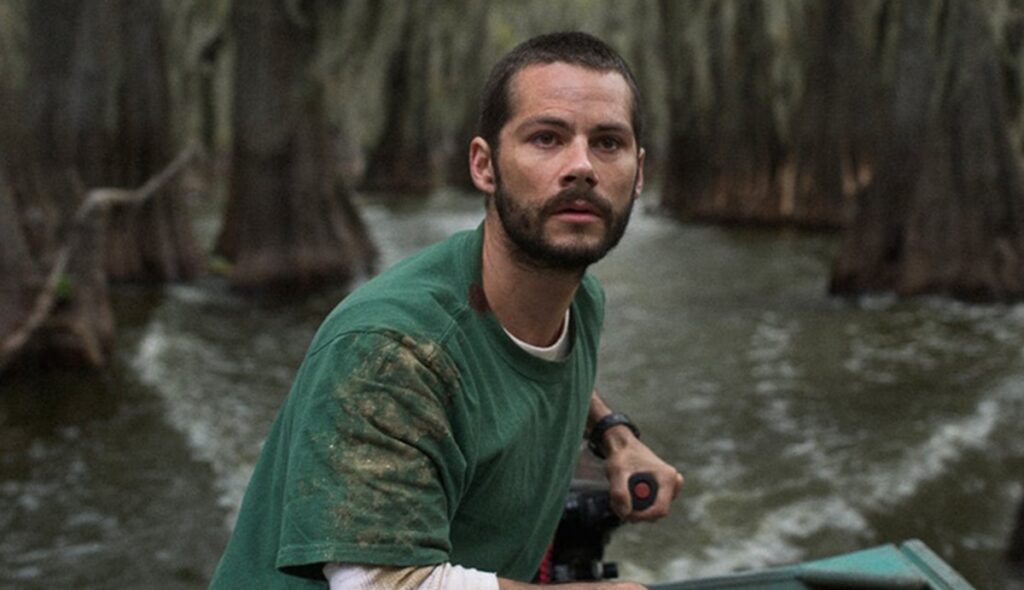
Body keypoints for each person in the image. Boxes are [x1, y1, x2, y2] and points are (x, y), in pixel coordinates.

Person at [209, 31, 684, 590]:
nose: (581, 166)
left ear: (639, 172)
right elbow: (379, 585)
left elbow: (525, 366)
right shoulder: (391, 349)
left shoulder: (579, 302)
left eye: (607, 143)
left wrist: (614, 436)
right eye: (547, 138)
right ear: (485, 166)